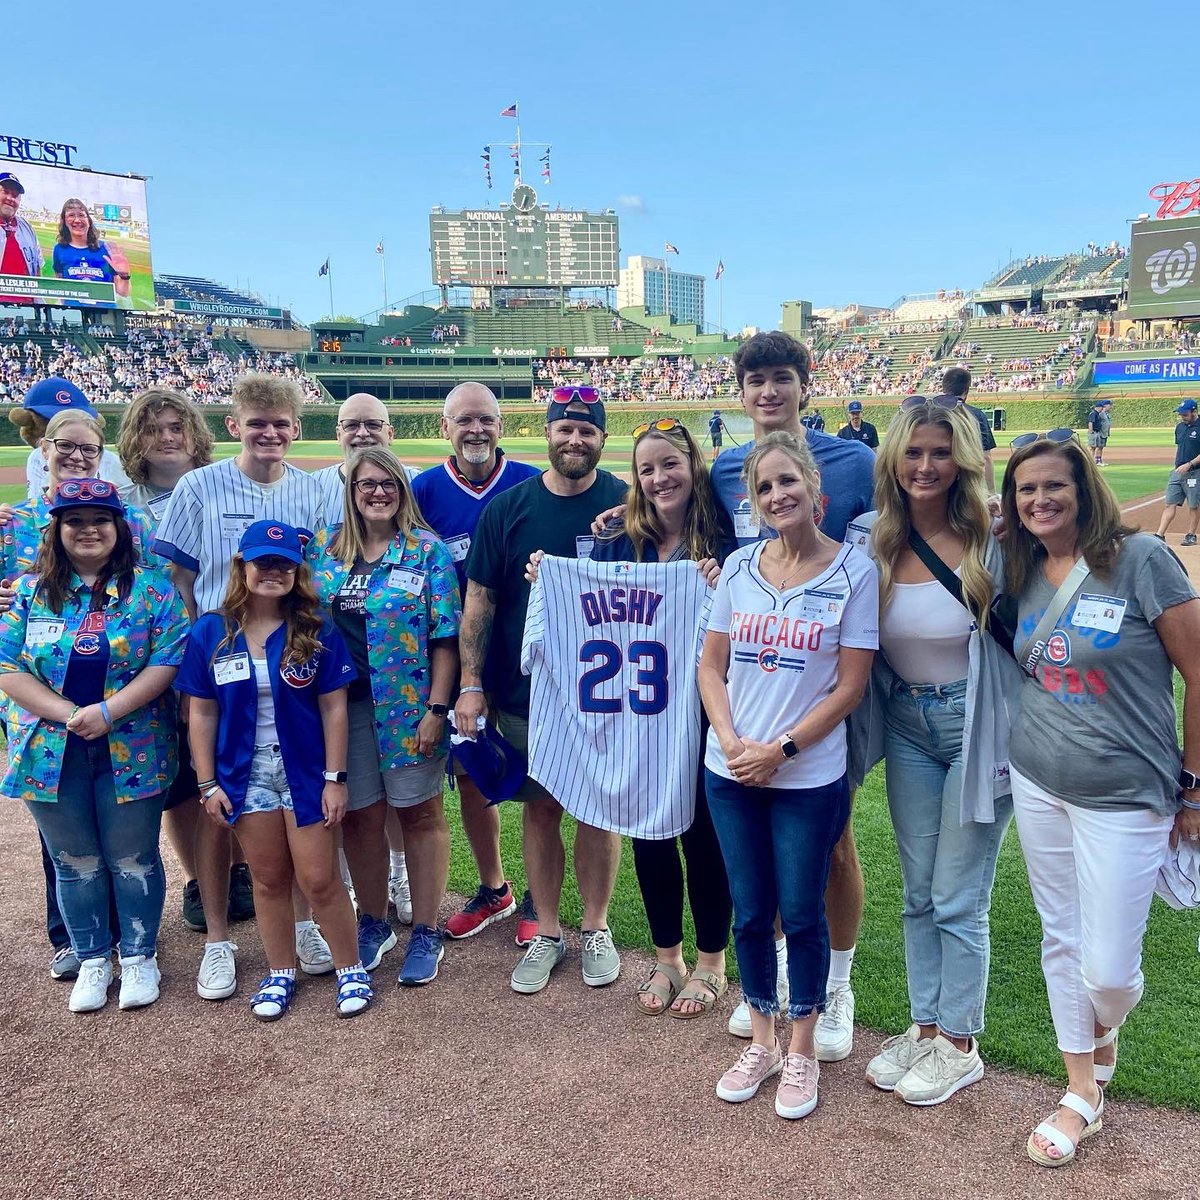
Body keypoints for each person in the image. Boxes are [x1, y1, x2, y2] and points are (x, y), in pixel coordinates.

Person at [1001, 431, 1200, 1167]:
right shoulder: (1019, 565)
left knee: (1110, 970)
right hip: (1039, 778)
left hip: (1128, 790)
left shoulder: (1141, 560)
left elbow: (1199, 672)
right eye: (1025, 490)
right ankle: (1081, 1088)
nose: (1040, 500)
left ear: (1085, 489)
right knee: (1061, 936)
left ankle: (1103, 1030)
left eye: (1054, 486)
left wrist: (1197, 788)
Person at [698, 431, 877, 1119]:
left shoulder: (853, 572)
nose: (778, 495)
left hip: (806, 776)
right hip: (731, 770)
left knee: (800, 913)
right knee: (750, 912)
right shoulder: (740, 568)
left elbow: (850, 688)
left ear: (815, 492)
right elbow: (710, 667)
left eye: (788, 482)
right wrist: (731, 739)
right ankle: (763, 1039)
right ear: (755, 501)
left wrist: (781, 750)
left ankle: (802, 1050)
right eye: (765, 487)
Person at [850, 397, 1018, 1106]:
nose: (925, 465)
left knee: (958, 895)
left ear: (964, 461)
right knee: (918, 893)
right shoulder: (871, 538)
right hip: (907, 725)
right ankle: (924, 1028)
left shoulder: (996, 539)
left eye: (941, 452)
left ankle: (960, 1042)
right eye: (913, 451)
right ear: (893, 458)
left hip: (977, 726)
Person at [543, 417, 735, 1018]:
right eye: (646, 470)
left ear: (692, 466)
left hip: (703, 711)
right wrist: (547, 582)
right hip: (638, 713)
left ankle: (712, 963)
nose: (658, 479)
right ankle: (666, 957)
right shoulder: (619, 542)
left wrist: (722, 579)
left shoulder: (726, 540)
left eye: (669, 465)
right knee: (649, 834)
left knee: (702, 837)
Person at [154, 373, 331, 1002]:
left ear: (296, 428)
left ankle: (308, 926)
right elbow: (175, 574)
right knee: (219, 802)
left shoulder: (312, 489)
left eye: (281, 423)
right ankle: (218, 940)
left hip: (294, 661)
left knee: (295, 796)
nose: (270, 434)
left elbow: (329, 566)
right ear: (235, 427)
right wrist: (191, 659)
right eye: (258, 423)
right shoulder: (200, 485)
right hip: (220, 661)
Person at [455, 386, 627, 994]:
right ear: (546, 433)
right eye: (565, 429)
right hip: (525, 691)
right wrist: (470, 683)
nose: (575, 440)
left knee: (597, 810)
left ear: (603, 440)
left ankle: (597, 926)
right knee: (541, 806)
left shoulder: (627, 504)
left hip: (605, 692)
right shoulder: (508, 509)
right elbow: (479, 600)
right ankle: (548, 929)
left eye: (587, 430)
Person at [0, 479, 188, 1013]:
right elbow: (7, 664)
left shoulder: (152, 589)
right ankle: (91, 958)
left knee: (132, 857)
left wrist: (108, 712)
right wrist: (71, 715)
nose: (88, 530)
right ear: (56, 530)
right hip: (47, 748)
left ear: (119, 528)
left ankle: (138, 957)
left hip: (134, 744)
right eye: (74, 520)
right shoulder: (31, 591)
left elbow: (167, 658)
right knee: (74, 861)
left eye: (99, 520)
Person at [176, 521, 370, 1022]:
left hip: (304, 770)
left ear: (297, 571)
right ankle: (280, 970)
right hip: (244, 772)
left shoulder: (315, 626)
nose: (273, 572)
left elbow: (334, 709)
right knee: (267, 879)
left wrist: (335, 779)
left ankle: (351, 969)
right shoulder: (211, 631)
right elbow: (201, 712)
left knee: (320, 878)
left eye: (285, 564)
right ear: (243, 566)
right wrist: (206, 783)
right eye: (263, 562)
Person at [307, 448, 461, 985]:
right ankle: (373, 921)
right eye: (366, 484)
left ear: (402, 490)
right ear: (351, 492)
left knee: (419, 814)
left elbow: (446, 638)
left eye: (388, 484)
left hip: (409, 709)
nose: (377, 493)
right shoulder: (325, 550)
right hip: (340, 710)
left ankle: (424, 928)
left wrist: (437, 709)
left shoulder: (426, 553)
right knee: (360, 817)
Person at [411, 382, 539, 942]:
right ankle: (496, 889)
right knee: (470, 775)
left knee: (546, 780)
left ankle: (542, 895)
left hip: (530, 657)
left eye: (485, 419)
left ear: (501, 425)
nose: (476, 430)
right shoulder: (423, 491)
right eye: (464, 420)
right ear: (446, 428)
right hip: (456, 658)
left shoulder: (533, 482)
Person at [115, 388, 215, 932]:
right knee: (179, 777)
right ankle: (199, 878)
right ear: (137, 439)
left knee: (225, 758)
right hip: (146, 658)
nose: (169, 438)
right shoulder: (121, 503)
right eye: (155, 429)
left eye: (178, 427)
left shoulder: (217, 487)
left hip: (214, 646)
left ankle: (239, 870)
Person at [11, 377, 131, 502]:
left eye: (88, 449)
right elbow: (35, 506)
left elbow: (131, 504)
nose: (77, 456)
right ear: (45, 448)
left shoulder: (110, 460)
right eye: (65, 445)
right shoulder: (36, 457)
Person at [52, 198, 133, 305]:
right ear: (64, 221)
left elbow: (123, 292)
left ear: (89, 221)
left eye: (81, 215)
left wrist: (124, 275)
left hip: (105, 315)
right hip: (74, 315)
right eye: (71, 215)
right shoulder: (59, 249)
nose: (77, 220)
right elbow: (60, 287)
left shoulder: (106, 249)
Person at [1153, 398, 1200, 547]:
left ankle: (1191, 534)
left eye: (1185, 414)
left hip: (1195, 472)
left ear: (1194, 412)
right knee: (1170, 503)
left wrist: (1190, 464)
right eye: (1181, 415)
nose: (1182, 417)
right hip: (1177, 471)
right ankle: (1160, 534)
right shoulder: (1180, 427)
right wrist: (1178, 465)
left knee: (1194, 505)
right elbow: (1180, 448)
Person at [941, 367, 997, 490]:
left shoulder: (929, 413)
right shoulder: (977, 415)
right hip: (967, 485)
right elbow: (985, 457)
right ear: (966, 391)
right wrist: (991, 492)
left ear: (943, 388)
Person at [0, 172, 44, 303]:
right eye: (5, 192)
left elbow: (36, 270)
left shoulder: (27, 228)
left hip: (27, 311)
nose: (10, 198)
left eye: (15, 196)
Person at [1086, 398, 1112, 467]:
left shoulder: (1103, 414)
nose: (1110, 407)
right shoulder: (1098, 413)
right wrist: (1091, 432)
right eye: (1109, 405)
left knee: (1100, 447)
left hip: (1103, 433)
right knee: (1094, 447)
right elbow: (1091, 422)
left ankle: (1098, 460)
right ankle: (1093, 461)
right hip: (1098, 433)